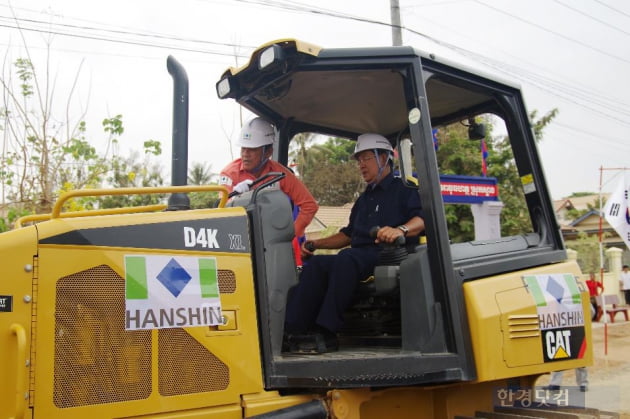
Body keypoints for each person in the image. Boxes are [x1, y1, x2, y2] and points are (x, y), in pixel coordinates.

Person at [283, 133, 425, 353]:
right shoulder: (364, 199)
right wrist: (316, 243)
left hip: (389, 254)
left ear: (385, 158)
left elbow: (422, 219)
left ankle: (327, 331)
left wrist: (400, 230)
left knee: (346, 259)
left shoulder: (404, 190)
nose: (361, 165)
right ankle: (292, 330)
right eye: (359, 160)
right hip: (358, 258)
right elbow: (348, 235)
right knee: (318, 265)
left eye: (366, 158)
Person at [218, 117, 318, 261]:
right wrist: (236, 197)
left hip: (273, 243)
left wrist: (288, 236)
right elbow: (221, 210)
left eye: (252, 149)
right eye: (243, 148)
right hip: (240, 242)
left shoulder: (281, 174)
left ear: (268, 151)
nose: (245, 154)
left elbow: (310, 205)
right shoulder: (229, 174)